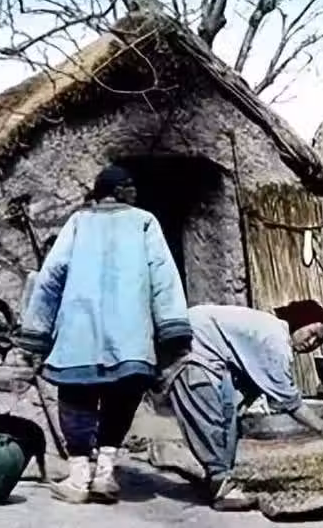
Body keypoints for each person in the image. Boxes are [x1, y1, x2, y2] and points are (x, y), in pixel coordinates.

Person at [18, 164, 192, 505]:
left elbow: (51, 275)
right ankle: (104, 473)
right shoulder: (145, 222)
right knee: (121, 399)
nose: (135, 191)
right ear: (117, 189)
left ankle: (79, 478)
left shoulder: (78, 223)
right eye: (129, 185)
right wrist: (171, 325)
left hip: (79, 331)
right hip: (130, 334)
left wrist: (37, 330)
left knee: (76, 399)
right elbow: (163, 274)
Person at [157, 301, 323, 511]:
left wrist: (236, 412)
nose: (311, 342)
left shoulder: (269, 333)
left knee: (228, 412)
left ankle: (220, 477)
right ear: (300, 322)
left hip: (202, 348)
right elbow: (290, 402)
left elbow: (245, 392)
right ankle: (221, 487)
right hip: (185, 344)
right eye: (311, 332)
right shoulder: (275, 339)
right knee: (207, 412)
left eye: (318, 341)